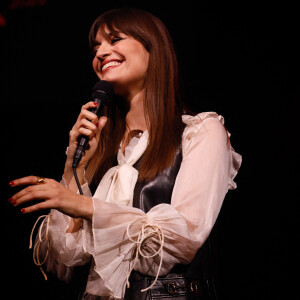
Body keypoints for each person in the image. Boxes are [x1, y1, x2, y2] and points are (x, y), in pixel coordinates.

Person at [8, 7, 242, 300]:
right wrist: (74, 168)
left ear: (152, 48)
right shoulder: (105, 147)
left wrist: (85, 206)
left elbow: (182, 238)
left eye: (114, 40)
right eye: (96, 48)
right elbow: (63, 259)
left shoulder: (201, 132)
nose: (101, 53)